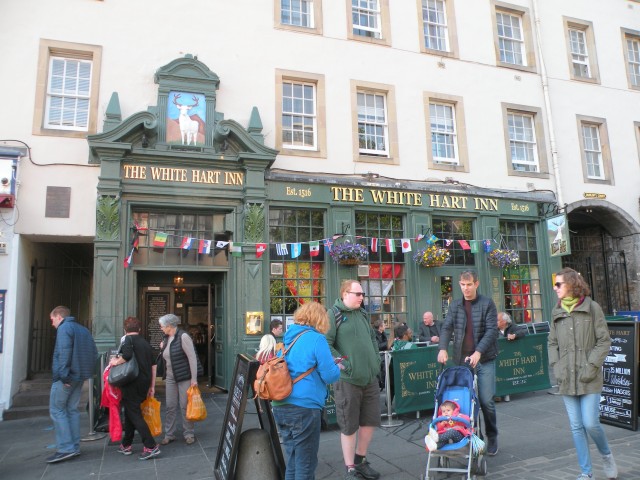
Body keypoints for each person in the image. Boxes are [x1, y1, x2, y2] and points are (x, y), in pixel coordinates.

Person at [549, 268, 618, 480]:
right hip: (566, 377)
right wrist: (557, 366)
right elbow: (552, 342)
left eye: (559, 284)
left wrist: (591, 366)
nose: (555, 288)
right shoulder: (556, 311)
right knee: (576, 427)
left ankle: (606, 455)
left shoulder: (592, 308)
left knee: (590, 423)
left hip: (589, 376)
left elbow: (604, 341)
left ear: (571, 284)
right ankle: (586, 472)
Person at [272, 302, 341, 480]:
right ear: (320, 319)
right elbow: (330, 376)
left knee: (294, 460)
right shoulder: (316, 339)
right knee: (306, 463)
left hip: (281, 405)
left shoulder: (288, 337)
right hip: (304, 407)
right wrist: (337, 366)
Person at [437, 270, 499, 456]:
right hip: (463, 362)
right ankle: (472, 436)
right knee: (467, 403)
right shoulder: (455, 305)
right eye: (463, 285)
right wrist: (442, 348)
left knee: (486, 400)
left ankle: (492, 435)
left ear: (476, 284)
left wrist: (478, 352)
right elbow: (447, 327)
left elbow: (491, 331)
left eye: (469, 284)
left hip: (485, 359)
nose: (466, 288)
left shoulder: (487, 303)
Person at [326, 279, 382, 480]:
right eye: (358, 294)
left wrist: (376, 361)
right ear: (345, 294)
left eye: (362, 294)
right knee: (349, 424)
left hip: (369, 378)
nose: (361, 297)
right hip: (348, 380)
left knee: (369, 421)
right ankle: (350, 467)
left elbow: (373, 339)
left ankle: (360, 461)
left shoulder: (362, 313)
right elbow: (326, 343)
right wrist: (345, 364)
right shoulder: (333, 314)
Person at [48, 306, 98, 464]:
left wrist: (63, 376)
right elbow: (93, 352)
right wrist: (85, 373)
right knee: (72, 410)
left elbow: (64, 352)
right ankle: (74, 446)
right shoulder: (83, 330)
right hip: (79, 376)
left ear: (58, 316)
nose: (52, 324)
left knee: (57, 410)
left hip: (67, 377)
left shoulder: (64, 329)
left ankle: (65, 448)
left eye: (52, 320)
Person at [110, 317, 160, 460]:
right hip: (143, 382)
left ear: (125, 330)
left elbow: (126, 355)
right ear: (139, 329)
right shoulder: (145, 343)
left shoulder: (127, 340)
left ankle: (151, 446)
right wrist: (152, 386)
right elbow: (154, 366)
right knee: (131, 413)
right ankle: (126, 444)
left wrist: (114, 362)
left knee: (135, 414)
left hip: (131, 383)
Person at [157, 313, 200, 446]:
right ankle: (169, 434)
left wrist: (194, 378)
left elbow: (192, 358)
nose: (161, 328)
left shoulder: (183, 336)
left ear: (169, 326)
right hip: (170, 377)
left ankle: (189, 433)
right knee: (170, 406)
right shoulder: (167, 338)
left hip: (184, 376)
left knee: (184, 405)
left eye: (162, 326)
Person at [495, 311, 525, 402]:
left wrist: (514, 335)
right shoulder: (493, 329)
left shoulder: (512, 327)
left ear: (504, 322)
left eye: (497, 320)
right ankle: (497, 394)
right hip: (496, 355)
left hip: (508, 356)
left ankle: (506, 393)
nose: (495, 322)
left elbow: (523, 331)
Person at [389, 324, 417, 405]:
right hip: (408, 377)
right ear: (405, 335)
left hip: (394, 377)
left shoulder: (394, 345)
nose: (411, 334)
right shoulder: (411, 346)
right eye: (409, 333)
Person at [373, 320, 388, 390]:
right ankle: (382, 383)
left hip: (384, 354)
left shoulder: (383, 334)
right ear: (380, 327)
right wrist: (389, 343)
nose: (385, 326)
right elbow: (378, 346)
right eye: (384, 325)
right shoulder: (374, 334)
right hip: (378, 355)